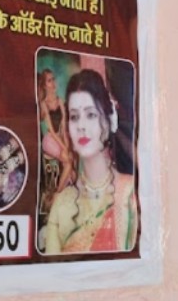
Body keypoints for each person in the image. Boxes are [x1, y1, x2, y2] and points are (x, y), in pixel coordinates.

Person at [44, 68, 138, 255]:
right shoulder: (62, 204)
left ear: (109, 121)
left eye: (91, 115)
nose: (81, 126)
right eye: (74, 117)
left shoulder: (129, 193)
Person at [38, 68, 73, 193]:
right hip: (50, 140)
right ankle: (57, 195)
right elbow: (52, 131)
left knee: (71, 168)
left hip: (60, 138)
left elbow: (63, 127)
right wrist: (64, 147)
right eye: (49, 81)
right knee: (68, 162)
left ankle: (64, 187)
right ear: (44, 85)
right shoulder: (44, 104)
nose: (53, 83)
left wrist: (66, 146)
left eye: (53, 79)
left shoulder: (60, 101)